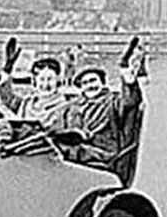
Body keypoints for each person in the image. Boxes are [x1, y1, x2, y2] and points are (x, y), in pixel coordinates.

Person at [50, 44, 146, 186]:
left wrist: (129, 80)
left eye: (93, 80)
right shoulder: (71, 108)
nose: (90, 85)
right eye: (85, 83)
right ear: (80, 87)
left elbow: (130, 102)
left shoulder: (112, 101)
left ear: (102, 82)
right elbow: (54, 126)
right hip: (74, 156)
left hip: (103, 156)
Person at [0, 56, 67, 127]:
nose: (45, 84)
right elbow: (7, 98)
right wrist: (7, 68)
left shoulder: (64, 106)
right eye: (42, 79)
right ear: (34, 81)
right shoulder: (27, 103)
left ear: (58, 80)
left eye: (50, 79)